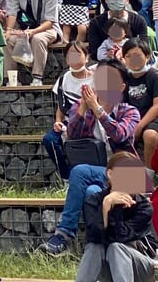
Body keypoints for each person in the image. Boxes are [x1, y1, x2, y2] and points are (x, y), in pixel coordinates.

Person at [42, 62, 141, 257]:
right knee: (92, 192)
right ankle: (97, 244)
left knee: (79, 171)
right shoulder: (84, 106)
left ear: (121, 87)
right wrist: (82, 110)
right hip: (97, 175)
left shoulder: (129, 111)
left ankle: (63, 234)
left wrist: (99, 110)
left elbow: (120, 134)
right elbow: (71, 135)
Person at [76, 152, 158, 282]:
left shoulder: (143, 207)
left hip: (141, 266)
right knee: (94, 247)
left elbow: (120, 238)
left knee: (116, 248)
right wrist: (105, 207)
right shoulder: (94, 201)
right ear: (110, 174)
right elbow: (93, 237)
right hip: (107, 266)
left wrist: (116, 206)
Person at [5, 0, 61, 86]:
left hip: (47, 29)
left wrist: (32, 31)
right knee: (7, 40)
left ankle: (37, 77)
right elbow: (12, 13)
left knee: (38, 39)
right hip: (24, 29)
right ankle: (11, 79)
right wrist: (9, 31)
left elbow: (50, 21)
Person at [45, 41, 94, 181]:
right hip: (67, 123)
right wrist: (58, 122)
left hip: (89, 124)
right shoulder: (63, 79)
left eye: (78, 53)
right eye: (70, 54)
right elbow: (61, 106)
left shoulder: (96, 78)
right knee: (50, 140)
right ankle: (65, 177)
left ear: (87, 57)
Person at [120, 39, 158, 167]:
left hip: (151, 118)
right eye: (128, 56)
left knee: (150, 135)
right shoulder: (125, 77)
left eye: (137, 55)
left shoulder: (154, 76)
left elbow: (157, 106)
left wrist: (139, 126)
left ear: (147, 56)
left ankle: (149, 173)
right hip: (130, 118)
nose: (132, 59)